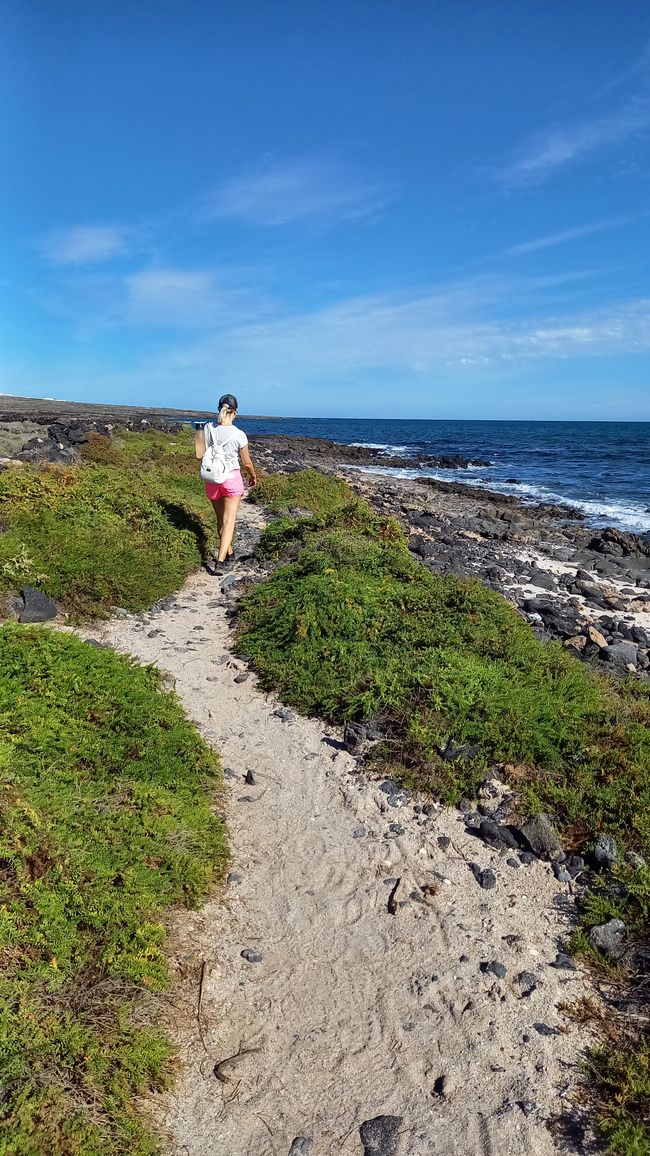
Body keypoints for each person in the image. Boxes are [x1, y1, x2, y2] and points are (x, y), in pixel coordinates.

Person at [194, 393, 257, 575]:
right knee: (229, 521)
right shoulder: (239, 435)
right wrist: (253, 476)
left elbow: (199, 455)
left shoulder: (206, 428)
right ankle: (220, 561)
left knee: (220, 519)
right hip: (231, 479)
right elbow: (246, 462)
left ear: (219, 409)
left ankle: (229, 552)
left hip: (212, 479)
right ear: (235, 412)